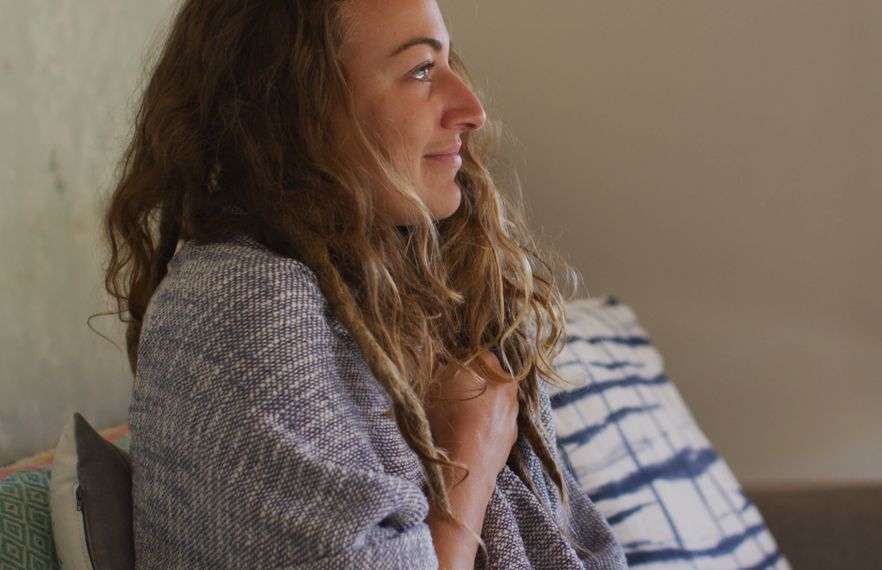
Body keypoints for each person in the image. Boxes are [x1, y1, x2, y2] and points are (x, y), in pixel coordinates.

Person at [102, 0, 628, 568]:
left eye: (448, 62)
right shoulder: (237, 302)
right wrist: (468, 454)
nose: (472, 110)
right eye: (421, 71)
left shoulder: (424, 280)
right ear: (296, 107)